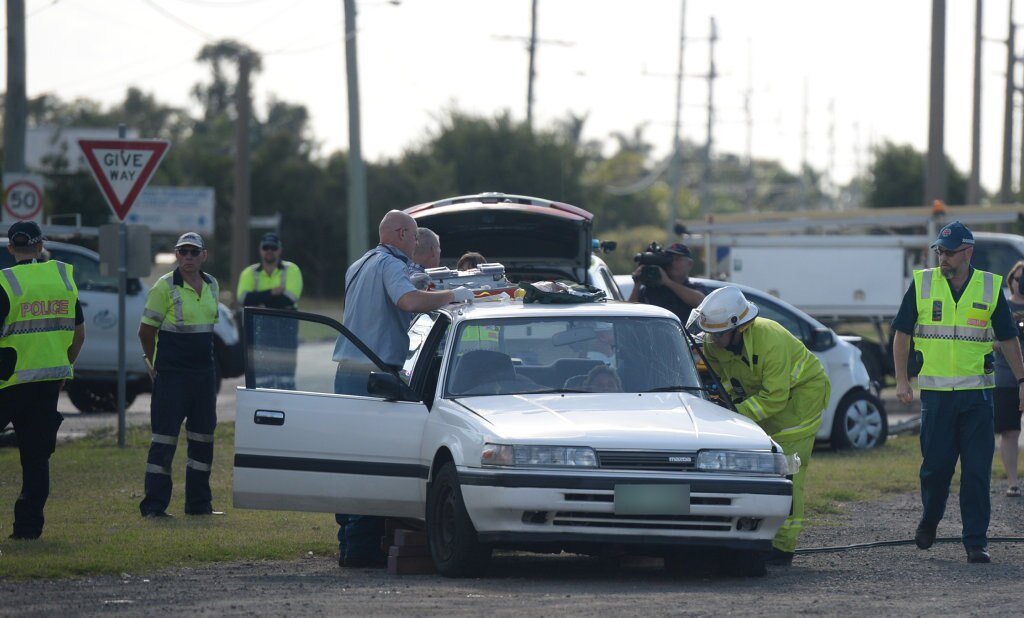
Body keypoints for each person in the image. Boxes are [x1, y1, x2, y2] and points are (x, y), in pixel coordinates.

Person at [333, 210, 473, 568]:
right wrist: (452, 296)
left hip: (348, 370)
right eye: (413, 237)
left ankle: (349, 542)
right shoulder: (391, 265)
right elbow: (407, 302)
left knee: (351, 458)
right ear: (399, 233)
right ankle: (361, 548)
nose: (416, 244)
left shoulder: (360, 263)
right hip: (375, 373)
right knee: (373, 459)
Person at [893, 221, 1024, 564]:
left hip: (978, 399)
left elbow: (1009, 339)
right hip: (936, 398)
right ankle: (930, 519)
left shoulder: (989, 287)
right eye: (940, 251)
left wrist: (1023, 381)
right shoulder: (922, 283)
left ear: (968, 252)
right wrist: (902, 380)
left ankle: (975, 541)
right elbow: (902, 334)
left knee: (977, 472)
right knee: (935, 469)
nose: (943, 258)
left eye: (949, 252)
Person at [690, 285, 830, 567]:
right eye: (710, 334)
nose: (712, 340)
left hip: (799, 404)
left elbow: (775, 397)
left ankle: (783, 547)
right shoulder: (713, 342)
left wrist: (735, 416)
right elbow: (725, 378)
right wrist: (728, 403)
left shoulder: (771, 340)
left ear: (738, 329)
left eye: (718, 335)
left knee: (788, 473)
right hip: (761, 402)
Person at [0, 221, 86, 539]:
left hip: (7, 382)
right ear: (41, 246)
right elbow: (79, 333)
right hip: (48, 383)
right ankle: (27, 529)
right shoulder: (62, 278)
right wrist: (65, 365)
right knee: (36, 459)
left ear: (11, 249)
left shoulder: (5, 283)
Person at [138, 232, 222, 519]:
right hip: (172, 376)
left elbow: (209, 330)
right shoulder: (163, 287)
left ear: (203, 256)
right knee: (164, 441)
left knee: (203, 439)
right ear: (176, 255)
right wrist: (153, 364)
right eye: (182, 252)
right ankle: (154, 506)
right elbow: (145, 332)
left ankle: (199, 505)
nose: (187, 257)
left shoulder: (212, 284)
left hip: (203, 376)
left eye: (193, 252)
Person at [236, 232, 303, 389]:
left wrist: (259, 299)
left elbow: (289, 298)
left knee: (285, 374)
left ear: (279, 250)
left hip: (286, 327)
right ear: (260, 250)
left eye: (273, 247)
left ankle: (287, 402)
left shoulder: (292, 270)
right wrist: (273, 292)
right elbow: (244, 299)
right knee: (261, 374)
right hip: (260, 327)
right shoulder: (249, 273)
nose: (269, 251)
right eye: (266, 247)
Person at [993, 260, 1024, 497]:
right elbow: (989, 337)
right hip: (1007, 378)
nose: (1021, 284)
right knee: (1010, 431)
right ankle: (1013, 481)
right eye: (1018, 278)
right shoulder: (1001, 306)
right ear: (1010, 281)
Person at [628, 242, 706, 323]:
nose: (673, 263)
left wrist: (668, 282)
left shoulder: (696, 287)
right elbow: (629, 313)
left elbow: (700, 302)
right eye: (670, 259)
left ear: (690, 264)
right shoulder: (652, 289)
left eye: (677, 259)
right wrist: (637, 285)